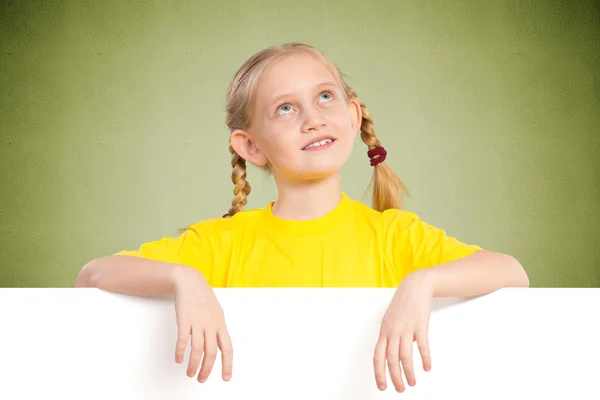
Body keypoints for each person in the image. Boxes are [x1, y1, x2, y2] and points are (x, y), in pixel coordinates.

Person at [76, 43, 530, 393]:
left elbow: (512, 273)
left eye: (325, 97)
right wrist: (182, 278)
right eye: (286, 108)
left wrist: (421, 283)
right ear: (251, 147)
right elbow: (92, 275)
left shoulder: (394, 236)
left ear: (353, 118)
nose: (313, 119)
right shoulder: (220, 244)